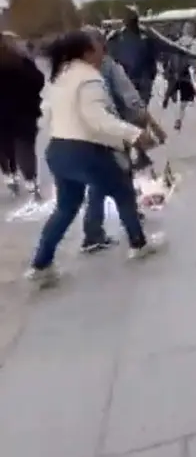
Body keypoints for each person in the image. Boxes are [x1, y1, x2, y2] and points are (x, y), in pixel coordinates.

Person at [27, 31, 165, 288]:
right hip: (86, 150)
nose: (104, 50)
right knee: (123, 191)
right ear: (87, 52)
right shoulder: (89, 78)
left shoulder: (61, 76)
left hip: (58, 149)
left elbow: (45, 114)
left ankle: (41, 263)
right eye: (100, 47)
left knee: (66, 208)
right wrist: (135, 134)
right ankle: (138, 244)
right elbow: (98, 119)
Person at [80, 26, 167, 253]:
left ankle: (93, 232)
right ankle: (136, 239)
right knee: (120, 181)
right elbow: (131, 99)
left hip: (85, 135)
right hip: (110, 133)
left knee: (99, 181)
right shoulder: (108, 66)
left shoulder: (73, 71)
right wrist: (153, 126)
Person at [0, 33, 44, 200]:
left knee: (4, 146)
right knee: (25, 147)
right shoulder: (20, 60)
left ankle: (10, 175)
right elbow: (38, 80)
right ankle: (31, 182)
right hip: (24, 111)